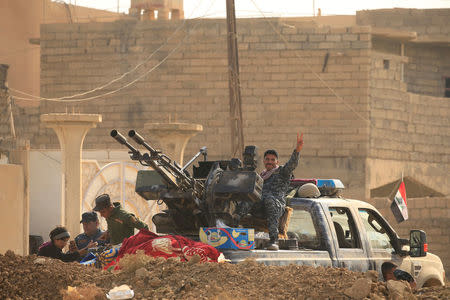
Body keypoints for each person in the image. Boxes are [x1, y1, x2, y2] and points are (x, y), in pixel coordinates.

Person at [253, 133, 304, 250]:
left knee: (270, 200)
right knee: (246, 200)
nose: (269, 162)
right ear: (264, 161)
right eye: (267, 159)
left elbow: (291, 165)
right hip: (261, 207)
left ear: (277, 161)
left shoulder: (282, 172)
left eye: (272, 160)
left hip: (276, 205)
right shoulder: (260, 176)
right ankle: (231, 230)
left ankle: (274, 240)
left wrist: (297, 150)